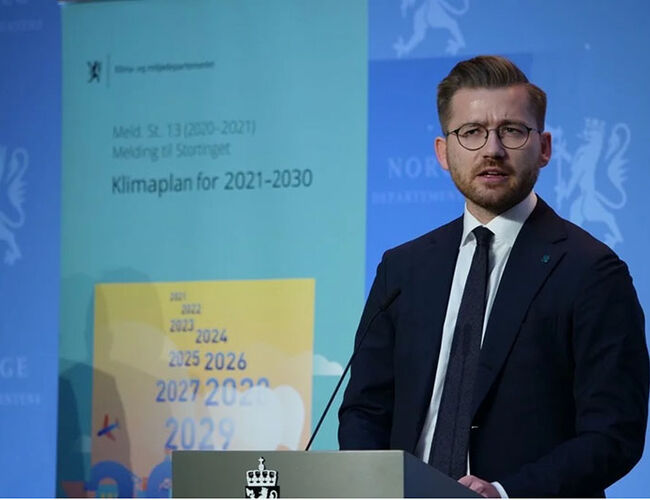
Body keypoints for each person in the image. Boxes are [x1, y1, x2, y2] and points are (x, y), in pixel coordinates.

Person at [338, 55, 649, 498]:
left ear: (544, 147)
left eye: (512, 130)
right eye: (471, 132)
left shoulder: (592, 271)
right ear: (443, 152)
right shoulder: (403, 268)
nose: (492, 150)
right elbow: (364, 410)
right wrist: (375, 488)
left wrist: (504, 493)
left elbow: (613, 434)